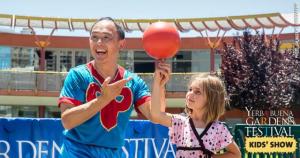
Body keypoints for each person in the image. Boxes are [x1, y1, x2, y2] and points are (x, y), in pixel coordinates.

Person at [58, 17, 152, 157]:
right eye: (94, 37)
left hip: (113, 153)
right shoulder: (77, 75)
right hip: (76, 151)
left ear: (121, 44)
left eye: (106, 37)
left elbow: (154, 114)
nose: (99, 42)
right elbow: (67, 121)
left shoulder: (134, 81)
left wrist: (160, 85)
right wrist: (103, 99)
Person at [151, 61, 241, 158]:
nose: (190, 94)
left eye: (197, 92)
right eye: (190, 89)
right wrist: (158, 83)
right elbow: (156, 115)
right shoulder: (181, 122)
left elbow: (236, 154)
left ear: (211, 99)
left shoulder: (219, 129)